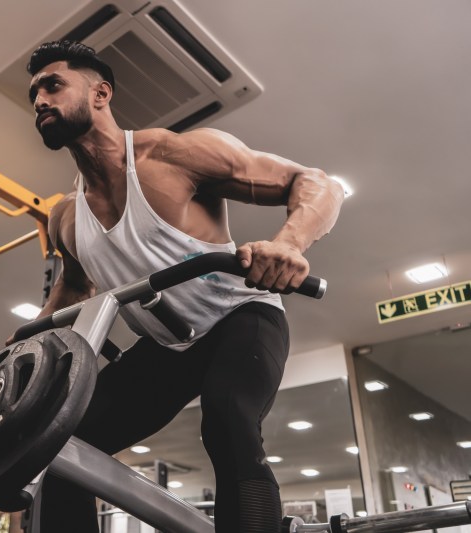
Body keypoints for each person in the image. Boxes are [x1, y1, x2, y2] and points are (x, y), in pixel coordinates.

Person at [24, 41, 343, 533]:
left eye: (53, 85)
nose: (40, 100)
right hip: (167, 344)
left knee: (229, 417)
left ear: (101, 93)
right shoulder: (65, 217)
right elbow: (73, 285)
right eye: (34, 94)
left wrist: (289, 244)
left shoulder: (173, 156)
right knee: (64, 448)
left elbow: (316, 181)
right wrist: (32, 338)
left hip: (241, 317)